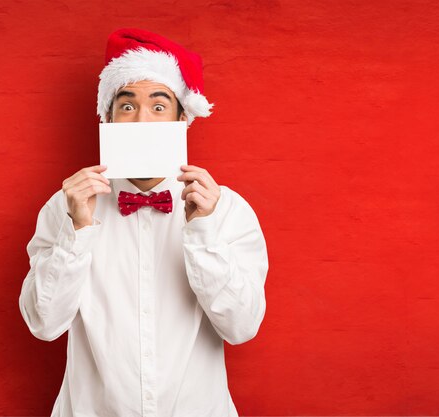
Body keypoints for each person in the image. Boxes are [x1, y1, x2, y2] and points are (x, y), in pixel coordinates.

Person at [18, 28, 269, 417]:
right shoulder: (65, 206)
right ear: (109, 118)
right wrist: (78, 231)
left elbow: (241, 327)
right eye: (128, 106)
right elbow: (43, 324)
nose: (140, 121)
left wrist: (202, 232)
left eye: (158, 105)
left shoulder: (227, 209)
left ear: (182, 117)